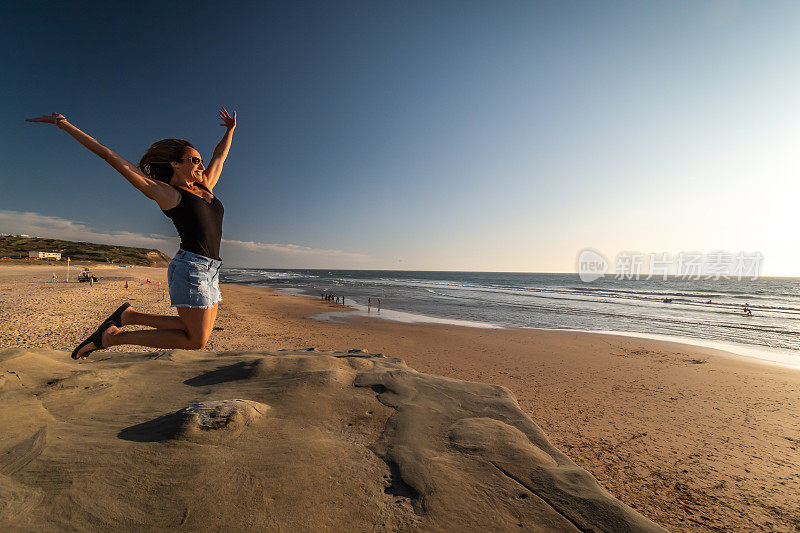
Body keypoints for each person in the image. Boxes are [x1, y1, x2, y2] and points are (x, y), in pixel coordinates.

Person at [26, 109, 237, 360]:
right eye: (194, 160)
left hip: (211, 269)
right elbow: (108, 154)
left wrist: (229, 130)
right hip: (192, 268)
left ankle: (129, 316)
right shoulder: (167, 193)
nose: (201, 165)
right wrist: (64, 125)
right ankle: (111, 337)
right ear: (175, 164)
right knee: (197, 339)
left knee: (194, 330)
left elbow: (220, 157)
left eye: (200, 160)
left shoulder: (205, 187)